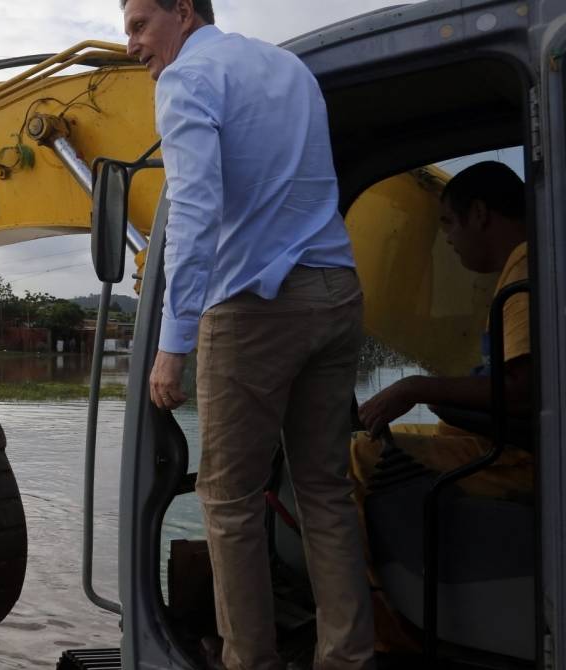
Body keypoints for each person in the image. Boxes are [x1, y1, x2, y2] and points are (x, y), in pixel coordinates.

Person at [122, 0, 373, 667]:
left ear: (184, 12)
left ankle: (249, 662)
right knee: (323, 490)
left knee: (228, 499)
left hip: (255, 308)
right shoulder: (290, 69)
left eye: (141, 24)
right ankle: (348, 658)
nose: (132, 45)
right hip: (337, 290)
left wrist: (172, 347)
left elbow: (197, 213)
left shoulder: (185, 81)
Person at [350, 161, 530, 650]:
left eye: (447, 222)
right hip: (499, 439)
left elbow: (520, 389)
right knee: (366, 440)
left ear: (479, 213)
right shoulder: (525, 262)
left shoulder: (525, 268)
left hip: (517, 456)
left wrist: (416, 388)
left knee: (356, 458)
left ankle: (385, 638)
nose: (446, 238)